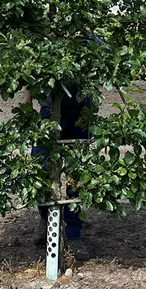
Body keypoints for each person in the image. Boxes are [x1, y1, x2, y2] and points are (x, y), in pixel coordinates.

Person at [23, 84, 92, 263]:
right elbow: (31, 65)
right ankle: (46, 219)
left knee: (77, 174)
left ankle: (74, 234)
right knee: (41, 167)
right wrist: (27, 99)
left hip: (80, 111)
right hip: (48, 109)